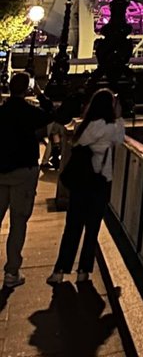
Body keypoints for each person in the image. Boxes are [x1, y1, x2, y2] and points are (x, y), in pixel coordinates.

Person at [47, 88, 124, 284]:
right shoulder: (110, 128)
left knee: (72, 227)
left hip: (80, 182)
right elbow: (120, 138)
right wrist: (119, 115)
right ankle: (83, 270)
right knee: (92, 229)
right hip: (99, 182)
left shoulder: (83, 126)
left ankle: (60, 270)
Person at [0, 71, 52, 288]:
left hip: (1, 172)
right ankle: (11, 272)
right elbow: (51, 114)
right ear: (27, 89)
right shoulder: (30, 112)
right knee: (18, 224)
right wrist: (41, 94)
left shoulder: (2, 112)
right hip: (24, 171)